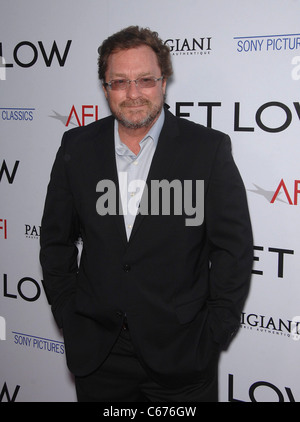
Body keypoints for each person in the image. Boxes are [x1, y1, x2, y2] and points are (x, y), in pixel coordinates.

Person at [40, 26, 253, 402]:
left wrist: (216, 329)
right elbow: (55, 240)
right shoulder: (77, 146)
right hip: (98, 354)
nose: (134, 93)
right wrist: (69, 314)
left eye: (145, 80)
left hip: (183, 352)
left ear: (164, 82)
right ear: (105, 87)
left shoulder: (207, 149)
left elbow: (233, 250)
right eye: (120, 82)